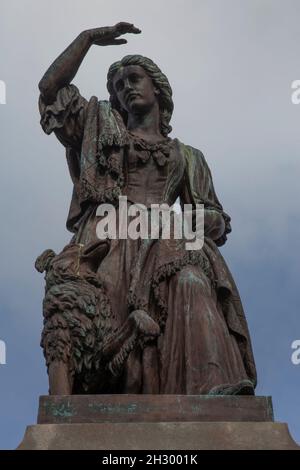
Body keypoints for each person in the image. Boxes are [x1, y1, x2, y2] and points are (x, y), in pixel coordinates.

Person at [36, 22, 257, 395]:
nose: (127, 87)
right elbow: (50, 90)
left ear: (158, 88)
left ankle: (211, 391)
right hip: (108, 239)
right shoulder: (99, 127)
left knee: (192, 282)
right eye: (120, 85)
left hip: (169, 240)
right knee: (93, 321)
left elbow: (216, 218)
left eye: (134, 78)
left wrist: (203, 221)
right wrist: (87, 40)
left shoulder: (187, 157)